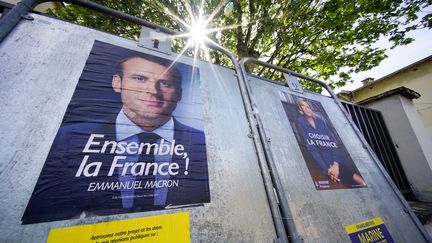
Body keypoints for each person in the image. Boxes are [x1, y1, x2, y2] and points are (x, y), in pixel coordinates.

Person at [22, 53, 209, 224]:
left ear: (179, 93)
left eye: (166, 83)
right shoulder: (68, 139)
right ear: (117, 83)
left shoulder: (203, 144)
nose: (152, 90)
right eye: (139, 78)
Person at [296, 98, 366, 187]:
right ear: (300, 108)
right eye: (303, 106)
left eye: (308, 106)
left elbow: (332, 142)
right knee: (344, 176)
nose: (306, 109)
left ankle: (365, 185)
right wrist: (327, 170)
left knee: (348, 171)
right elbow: (312, 149)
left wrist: (335, 164)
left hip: (336, 155)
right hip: (325, 159)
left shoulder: (320, 121)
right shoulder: (301, 121)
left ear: (312, 108)